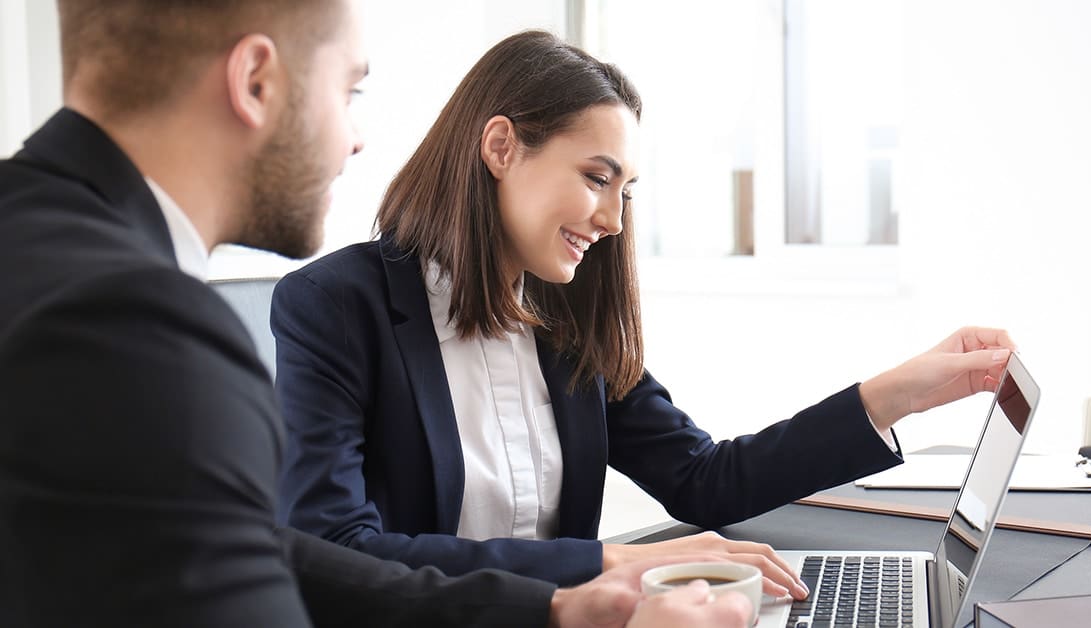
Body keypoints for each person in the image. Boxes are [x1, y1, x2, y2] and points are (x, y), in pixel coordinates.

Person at [0, 2, 751, 626]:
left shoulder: (40, 252)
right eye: (349, 91)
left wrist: (558, 611)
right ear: (256, 80)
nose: (356, 139)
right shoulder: (129, 321)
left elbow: (267, 549)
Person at [271, 29, 1017, 596]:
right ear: (500, 146)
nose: (613, 220)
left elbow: (704, 478)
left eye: (624, 190)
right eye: (597, 178)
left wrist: (900, 393)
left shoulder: (563, 324)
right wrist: (616, 563)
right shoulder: (335, 308)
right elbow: (338, 551)